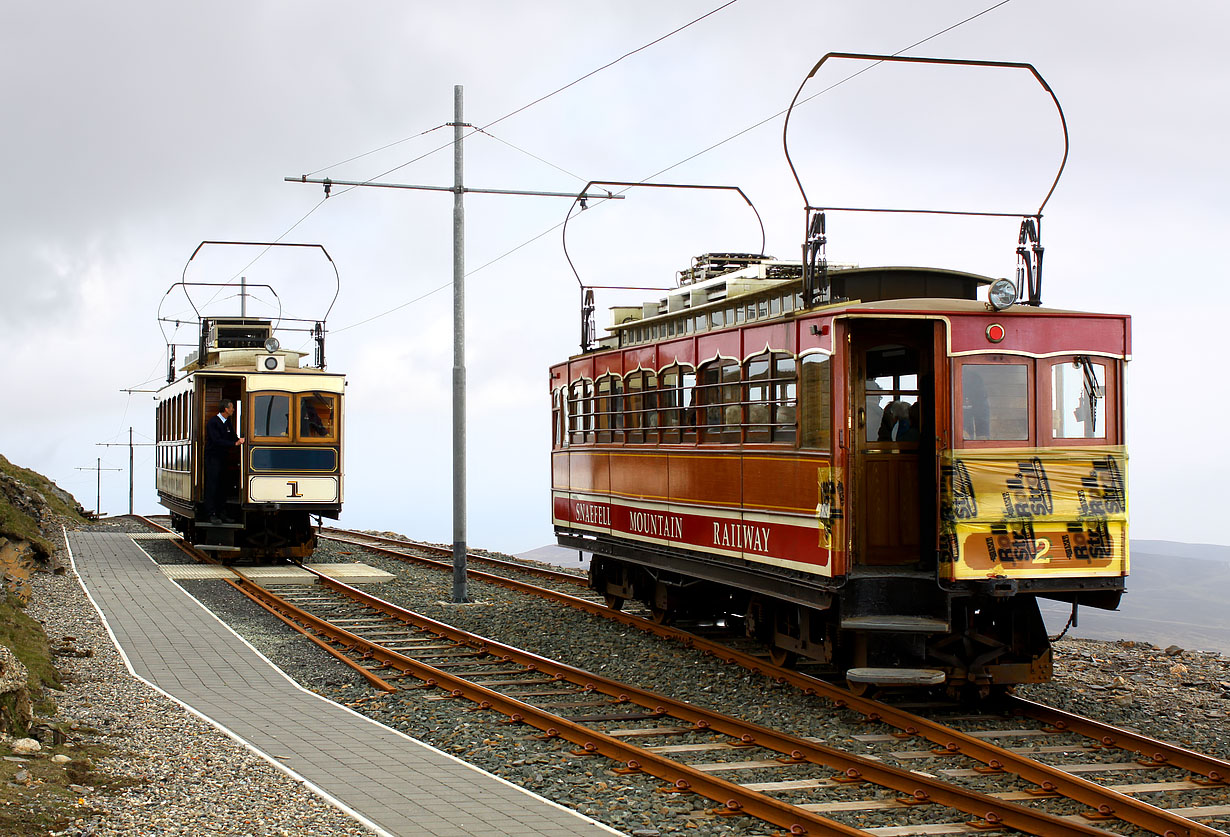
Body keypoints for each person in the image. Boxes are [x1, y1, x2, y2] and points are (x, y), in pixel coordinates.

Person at [203, 399, 244, 523]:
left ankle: (222, 512)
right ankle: (212, 513)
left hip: (223, 458)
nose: (233, 409)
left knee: (222, 486)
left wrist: (239, 440)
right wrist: (234, 443)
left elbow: (232, 436)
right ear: (226, 409)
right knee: (212, 485)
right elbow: (216, 441)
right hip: (213, 458)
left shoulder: (227, 422)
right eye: (231, 407)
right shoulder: (213, 422)